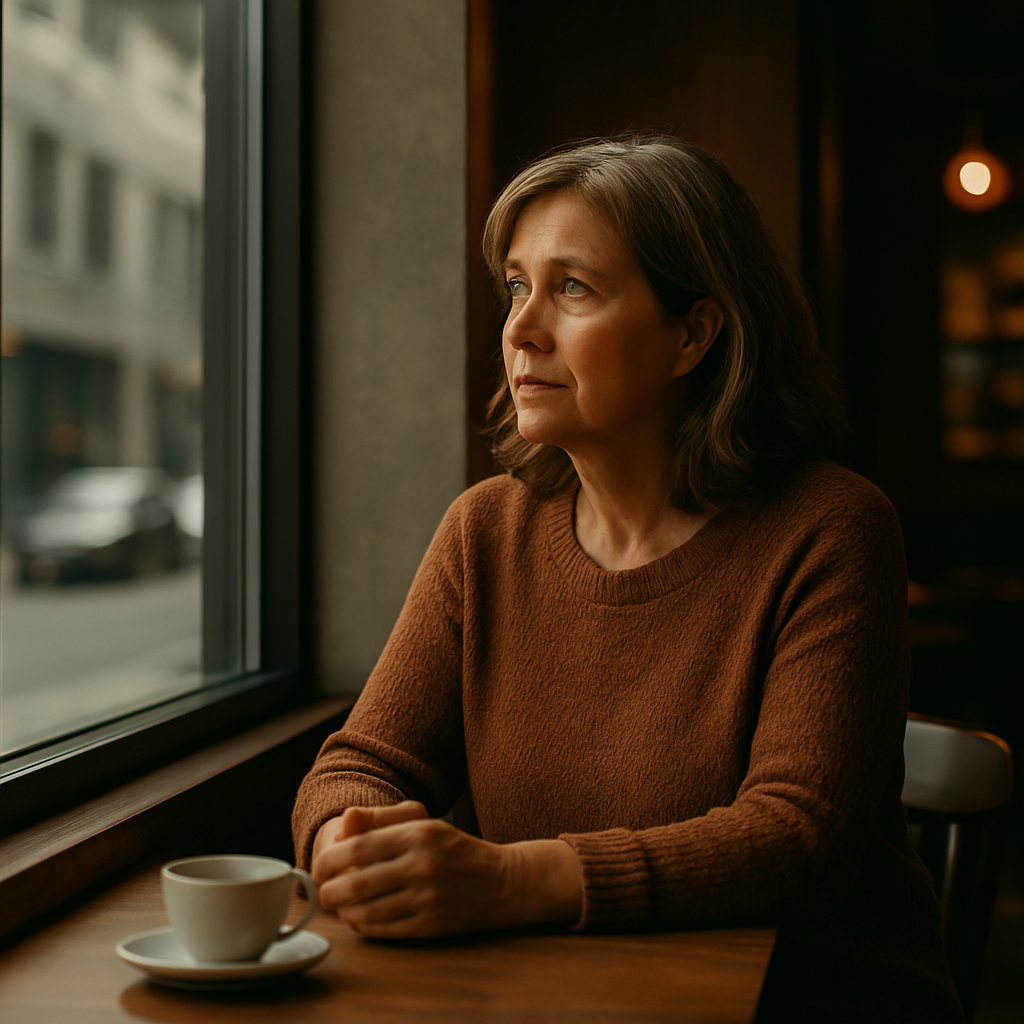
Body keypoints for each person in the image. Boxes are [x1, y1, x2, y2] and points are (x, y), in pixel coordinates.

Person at [292, 135, 963, 1022]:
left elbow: (798, 840)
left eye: (573, 287)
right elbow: (359, 763)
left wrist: (507, 877)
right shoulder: (484, 530)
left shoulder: (831, 528)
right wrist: (352, 844)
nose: (522, 330)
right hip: (562, 1001)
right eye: (518, 286)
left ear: (694, 332)